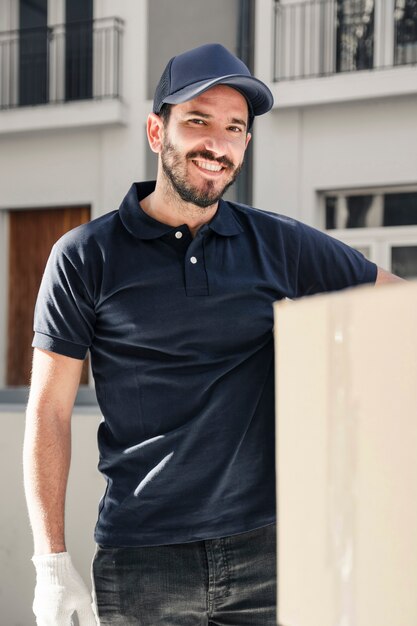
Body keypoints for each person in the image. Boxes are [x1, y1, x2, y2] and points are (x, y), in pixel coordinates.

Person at [23, 43, 401, 626]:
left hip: (268, 552)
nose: (217, 144)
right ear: (157, 131)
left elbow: (399, 306)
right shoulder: (84, 256)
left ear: (245, 144)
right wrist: (51, 564)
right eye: (198, 121)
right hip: (144, 557)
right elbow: (48, 410)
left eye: (234, 129)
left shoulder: (281, 245)